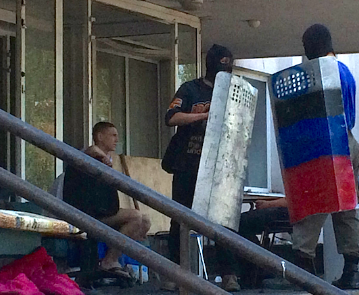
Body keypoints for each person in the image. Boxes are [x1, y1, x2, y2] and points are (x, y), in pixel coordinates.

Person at [291, 24, 359, 289]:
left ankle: (303, 266)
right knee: (346, 207)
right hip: (346, 140)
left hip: (319, 142)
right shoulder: (346, 72)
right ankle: (352, 271)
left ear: (312, 45)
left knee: (312, 203)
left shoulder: (316, 72)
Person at [161, 44, 234, 291]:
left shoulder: (231, 91)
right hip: (187, 163)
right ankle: (176, 273)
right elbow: (171, 117)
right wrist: (204, 116)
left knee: (223, 222)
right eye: (221, 65)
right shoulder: (191, 89)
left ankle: (228, 274)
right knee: (180, 219)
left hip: (217, 166)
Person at [63, 122, 151, 277]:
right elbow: (90, 151)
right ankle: (108, 262)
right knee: (135, 217)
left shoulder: (105, 161)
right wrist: (100, 154)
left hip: (102, 212)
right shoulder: (88, 157)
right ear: (99, 136)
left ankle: (118, 262)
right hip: (86, 215)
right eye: (113, 135)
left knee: (145, 221)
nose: (117, 139)